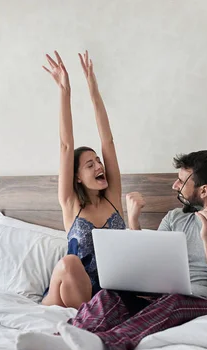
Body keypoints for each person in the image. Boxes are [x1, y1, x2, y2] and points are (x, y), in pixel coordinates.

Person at [18, 150, 207, 350]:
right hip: (164, 299)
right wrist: (134, 222)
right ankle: (63, 340)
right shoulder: (174, 218)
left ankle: (104, 345)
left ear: (203, 190)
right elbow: (150, 264)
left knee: (175, 303)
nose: (175, 186)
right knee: (109, 295)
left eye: (181, 181)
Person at [40, 51, 126, 309]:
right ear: (76, 177)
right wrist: (65, 91)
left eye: (98, 161)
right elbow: (66, 145)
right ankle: (83, 320)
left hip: (103, 296)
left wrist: (93, 89)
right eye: (90, 165)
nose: (100, 166)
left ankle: (89, 320)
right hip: (65, 291)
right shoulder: (70, 204)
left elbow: (108, 141)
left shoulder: (112, 199)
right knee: (69, 263)